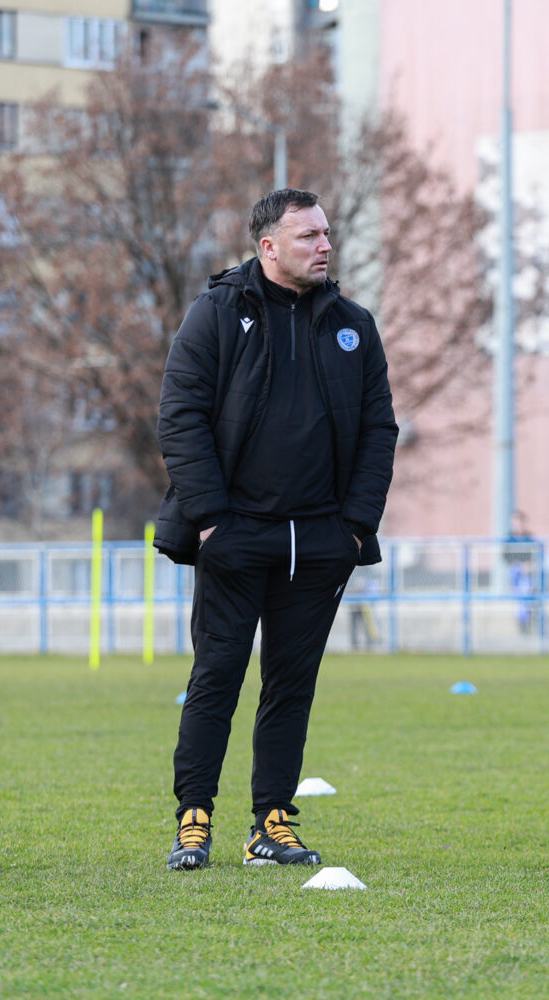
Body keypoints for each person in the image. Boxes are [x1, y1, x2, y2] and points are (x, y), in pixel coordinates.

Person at [154, 189, 396, 871]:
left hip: (320, 543)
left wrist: (354, 527)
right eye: (307, 236)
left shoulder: (354, 324)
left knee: (292, 685)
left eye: (326, 233)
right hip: (235, 537)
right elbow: (180, 417)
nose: (323, 246)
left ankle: (272, 822)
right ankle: (194, 819)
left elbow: (380, 428)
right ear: (268, 247)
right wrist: (210, 521)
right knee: (217, 677)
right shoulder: (217, 313)